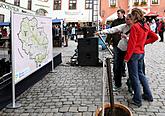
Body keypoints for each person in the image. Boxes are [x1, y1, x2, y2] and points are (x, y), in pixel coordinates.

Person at [124, 8, 158, 107]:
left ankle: (137, 100)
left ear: (135, 16)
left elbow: (131, 44)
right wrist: (143, 44)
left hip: (134, 54)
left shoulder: (135, 27)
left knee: (134, 77)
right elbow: (155, 37)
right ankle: (148, 95)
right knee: (141, 74)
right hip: (141, 53)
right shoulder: (146, 25)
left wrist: (127, 57)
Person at [96, 14, 134, 91]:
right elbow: (113, 29)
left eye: (128, 19)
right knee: (117, 67)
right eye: (126, 19)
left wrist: (126, 37)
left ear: (132, 20)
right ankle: (117, 84)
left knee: (132, 69)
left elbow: (135, 41)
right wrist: (101, 32)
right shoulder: (124, 26)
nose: (126, 21)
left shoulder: (135, 28)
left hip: (131, 50)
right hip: (121, 48)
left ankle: (131, 85)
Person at [107, 9, 126, 90]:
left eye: (119, 13)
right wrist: (108, 40)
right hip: (116, 43)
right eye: (117, 13)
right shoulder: (114, 22)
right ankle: (117, 76)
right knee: (116, 60)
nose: (118, 14)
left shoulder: (126, 21)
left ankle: (123, 70)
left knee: (123, 59)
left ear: (123, 14)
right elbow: (111, 30)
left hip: (124, 43)